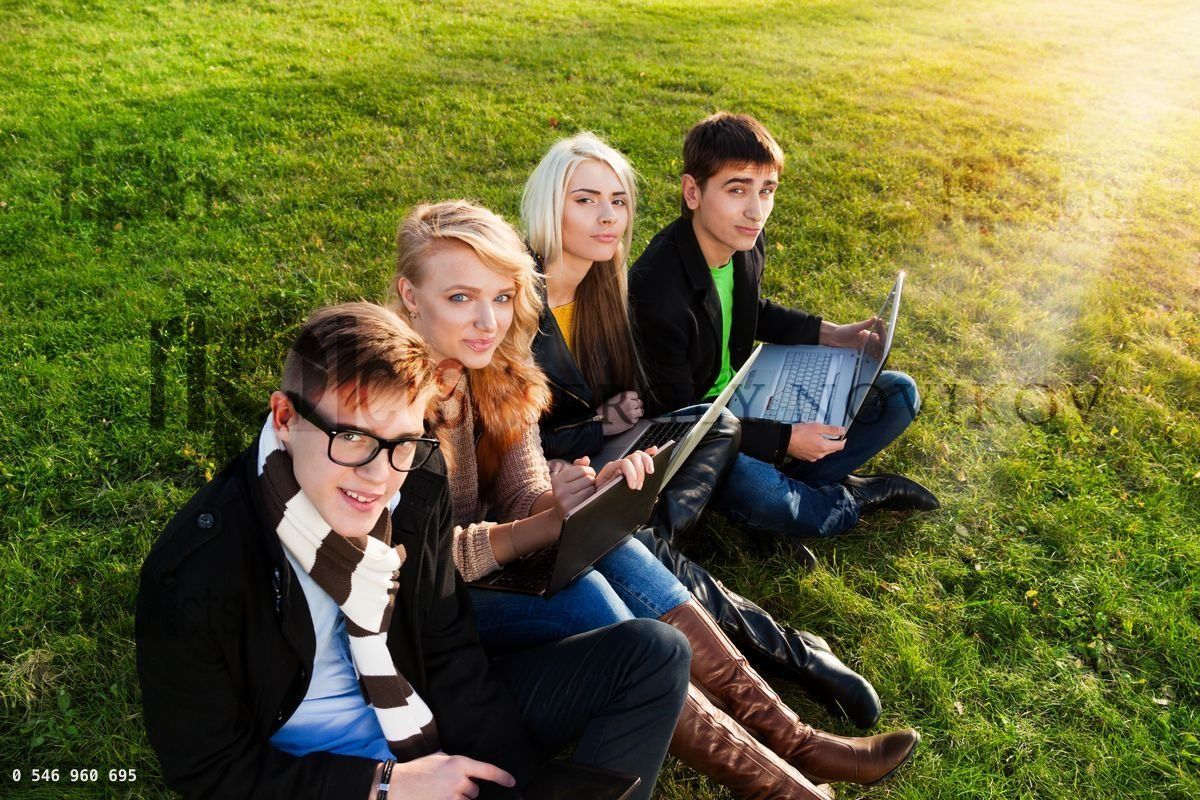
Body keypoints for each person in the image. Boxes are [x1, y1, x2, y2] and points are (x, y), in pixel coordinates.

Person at [389, 200, 920, 799]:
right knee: (591, 589)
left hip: (495, 563)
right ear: (410, 296)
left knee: (613, 543)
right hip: (427, 607)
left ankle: (793, 739)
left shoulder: (498, 366)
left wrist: (589, 492)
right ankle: (783, 786)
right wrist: (546, 524)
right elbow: (421, 563)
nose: (488, 320)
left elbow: (524, 490)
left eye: (502, 297)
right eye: (461, 298)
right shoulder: (389, 402)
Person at [135, 302, 692, 800]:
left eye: (400, 441)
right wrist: (385, 786)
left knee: (655, 651)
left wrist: (513, 781)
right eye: (351, 438)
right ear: (285, 418)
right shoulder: (198, 570)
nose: (379, 477)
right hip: (320, 776)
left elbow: (448, 649)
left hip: (426, 719)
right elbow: (209, 771)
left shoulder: (417, 480)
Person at [521, 131, 884, 730]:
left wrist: (607, 419)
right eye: (584, 200)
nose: (607, 215)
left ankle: (658, 545)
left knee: (713, 426)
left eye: (617, 200)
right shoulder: (514, 300)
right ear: (547, 205)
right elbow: (509, 438)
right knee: (638, 531)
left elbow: (603, 397)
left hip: (605, 454)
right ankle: (793, 652)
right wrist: (589, 434)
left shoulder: (603, 290)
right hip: (542, 483)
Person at [629, 112, 940, 541]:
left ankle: (797, 486)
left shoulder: (742, 242)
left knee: (899, 394)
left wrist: (834, 334)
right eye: (737, 190)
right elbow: (679, 423)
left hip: (750, 391)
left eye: (767, 190)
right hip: (703, 432)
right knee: (767, 496)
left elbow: (750, 309)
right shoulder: (655, 291)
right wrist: (784, 439)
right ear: (692, 192)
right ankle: (850, 497)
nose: (756, 211)